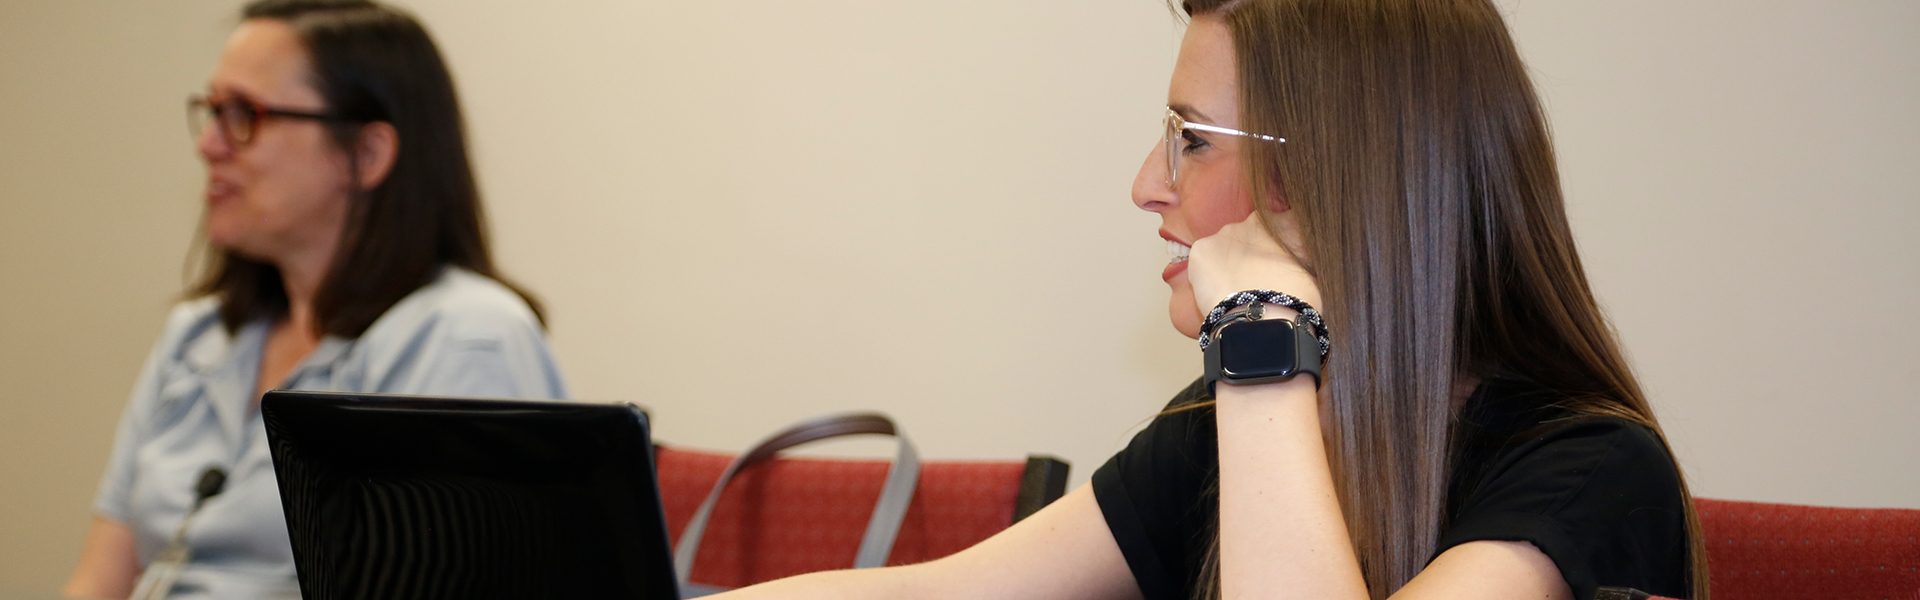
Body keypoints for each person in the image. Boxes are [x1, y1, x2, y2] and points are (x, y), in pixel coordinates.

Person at [706, 0, 1704, 599]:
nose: (1148, 180)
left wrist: (1262, 342)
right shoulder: (1219, 434)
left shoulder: (1587, 470)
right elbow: (941, 594)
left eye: (1191, 138)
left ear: (1334, 179)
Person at [61, 1, 568, 598]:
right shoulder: (199, 331)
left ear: (366, 155)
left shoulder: (466, 337)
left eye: (244, 114)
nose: (209, 145)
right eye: (211, 111)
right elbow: (100, 579)